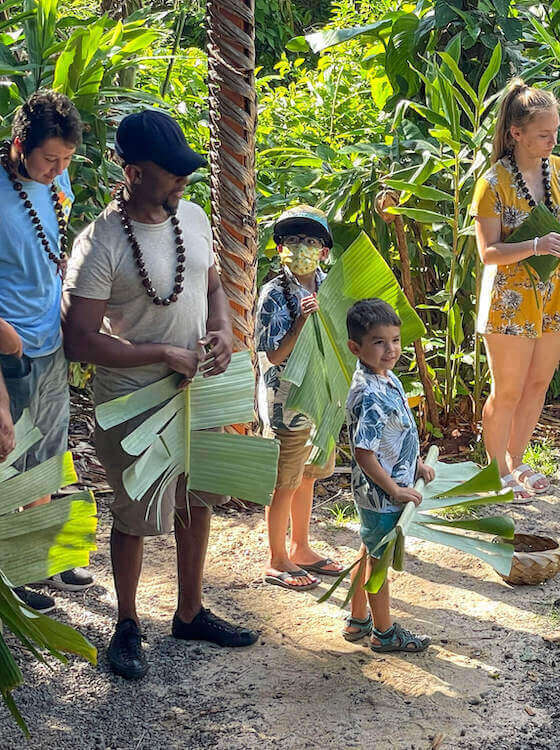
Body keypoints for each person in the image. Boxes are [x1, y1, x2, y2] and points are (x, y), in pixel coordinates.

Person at [63, 109, 257, 680]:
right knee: (136, 513)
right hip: (134, 403)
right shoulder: (100, 243)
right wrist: (161, 354)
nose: (181, 182)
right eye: (171, 173)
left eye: (184, 173)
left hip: (199, 394)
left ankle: (190, 611)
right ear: (133, 172)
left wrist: (222, 331)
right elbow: (79, 341)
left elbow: (213, 283)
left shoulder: (191, 217)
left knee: (199, 500)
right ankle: (126, 624)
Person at [0, 90, 93, 614]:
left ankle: (51, 554)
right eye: (49, 159)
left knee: (51, 453)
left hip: (50, 340)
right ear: (19, 146)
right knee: (7, 459)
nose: (58, 170)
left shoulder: (54, 180)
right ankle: (14, 573)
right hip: (7, 351)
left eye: (66, 161)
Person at [472, 79, 560, 499]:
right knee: (509, 389)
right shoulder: (492, 183)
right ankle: (494, 470)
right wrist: (534, 244)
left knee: (538, 385)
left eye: (555, 132)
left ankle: (518, 459)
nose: (553, 140)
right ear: (516, 133)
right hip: (509, 298)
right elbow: (488, 252)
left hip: (555, 290)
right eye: (543, 134)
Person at [255, 205, 343, 591]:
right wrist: (302, 322)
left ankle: (301, 546)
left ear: (324, 251)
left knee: (308, 475)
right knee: (284, 480)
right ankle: (277, 558)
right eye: (291, 240)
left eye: (309, 241)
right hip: (285, 402)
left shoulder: (331, 285)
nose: (300, 248)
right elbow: (271, 355)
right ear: (279, 249)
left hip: (322, 397)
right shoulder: (274, 293)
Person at [341, 298, 434, 653]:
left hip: (389, 486)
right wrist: (394, 488)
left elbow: (397, 433)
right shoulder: (368, 393)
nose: (391, 349)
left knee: (368, 551)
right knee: (378, 560)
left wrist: (416, 465)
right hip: (380, 495)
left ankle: (358, 618)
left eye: (394, 340)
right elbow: (364, 453)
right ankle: (384, 632)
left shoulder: (385, 376)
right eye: (379, 342)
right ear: (356, 347)